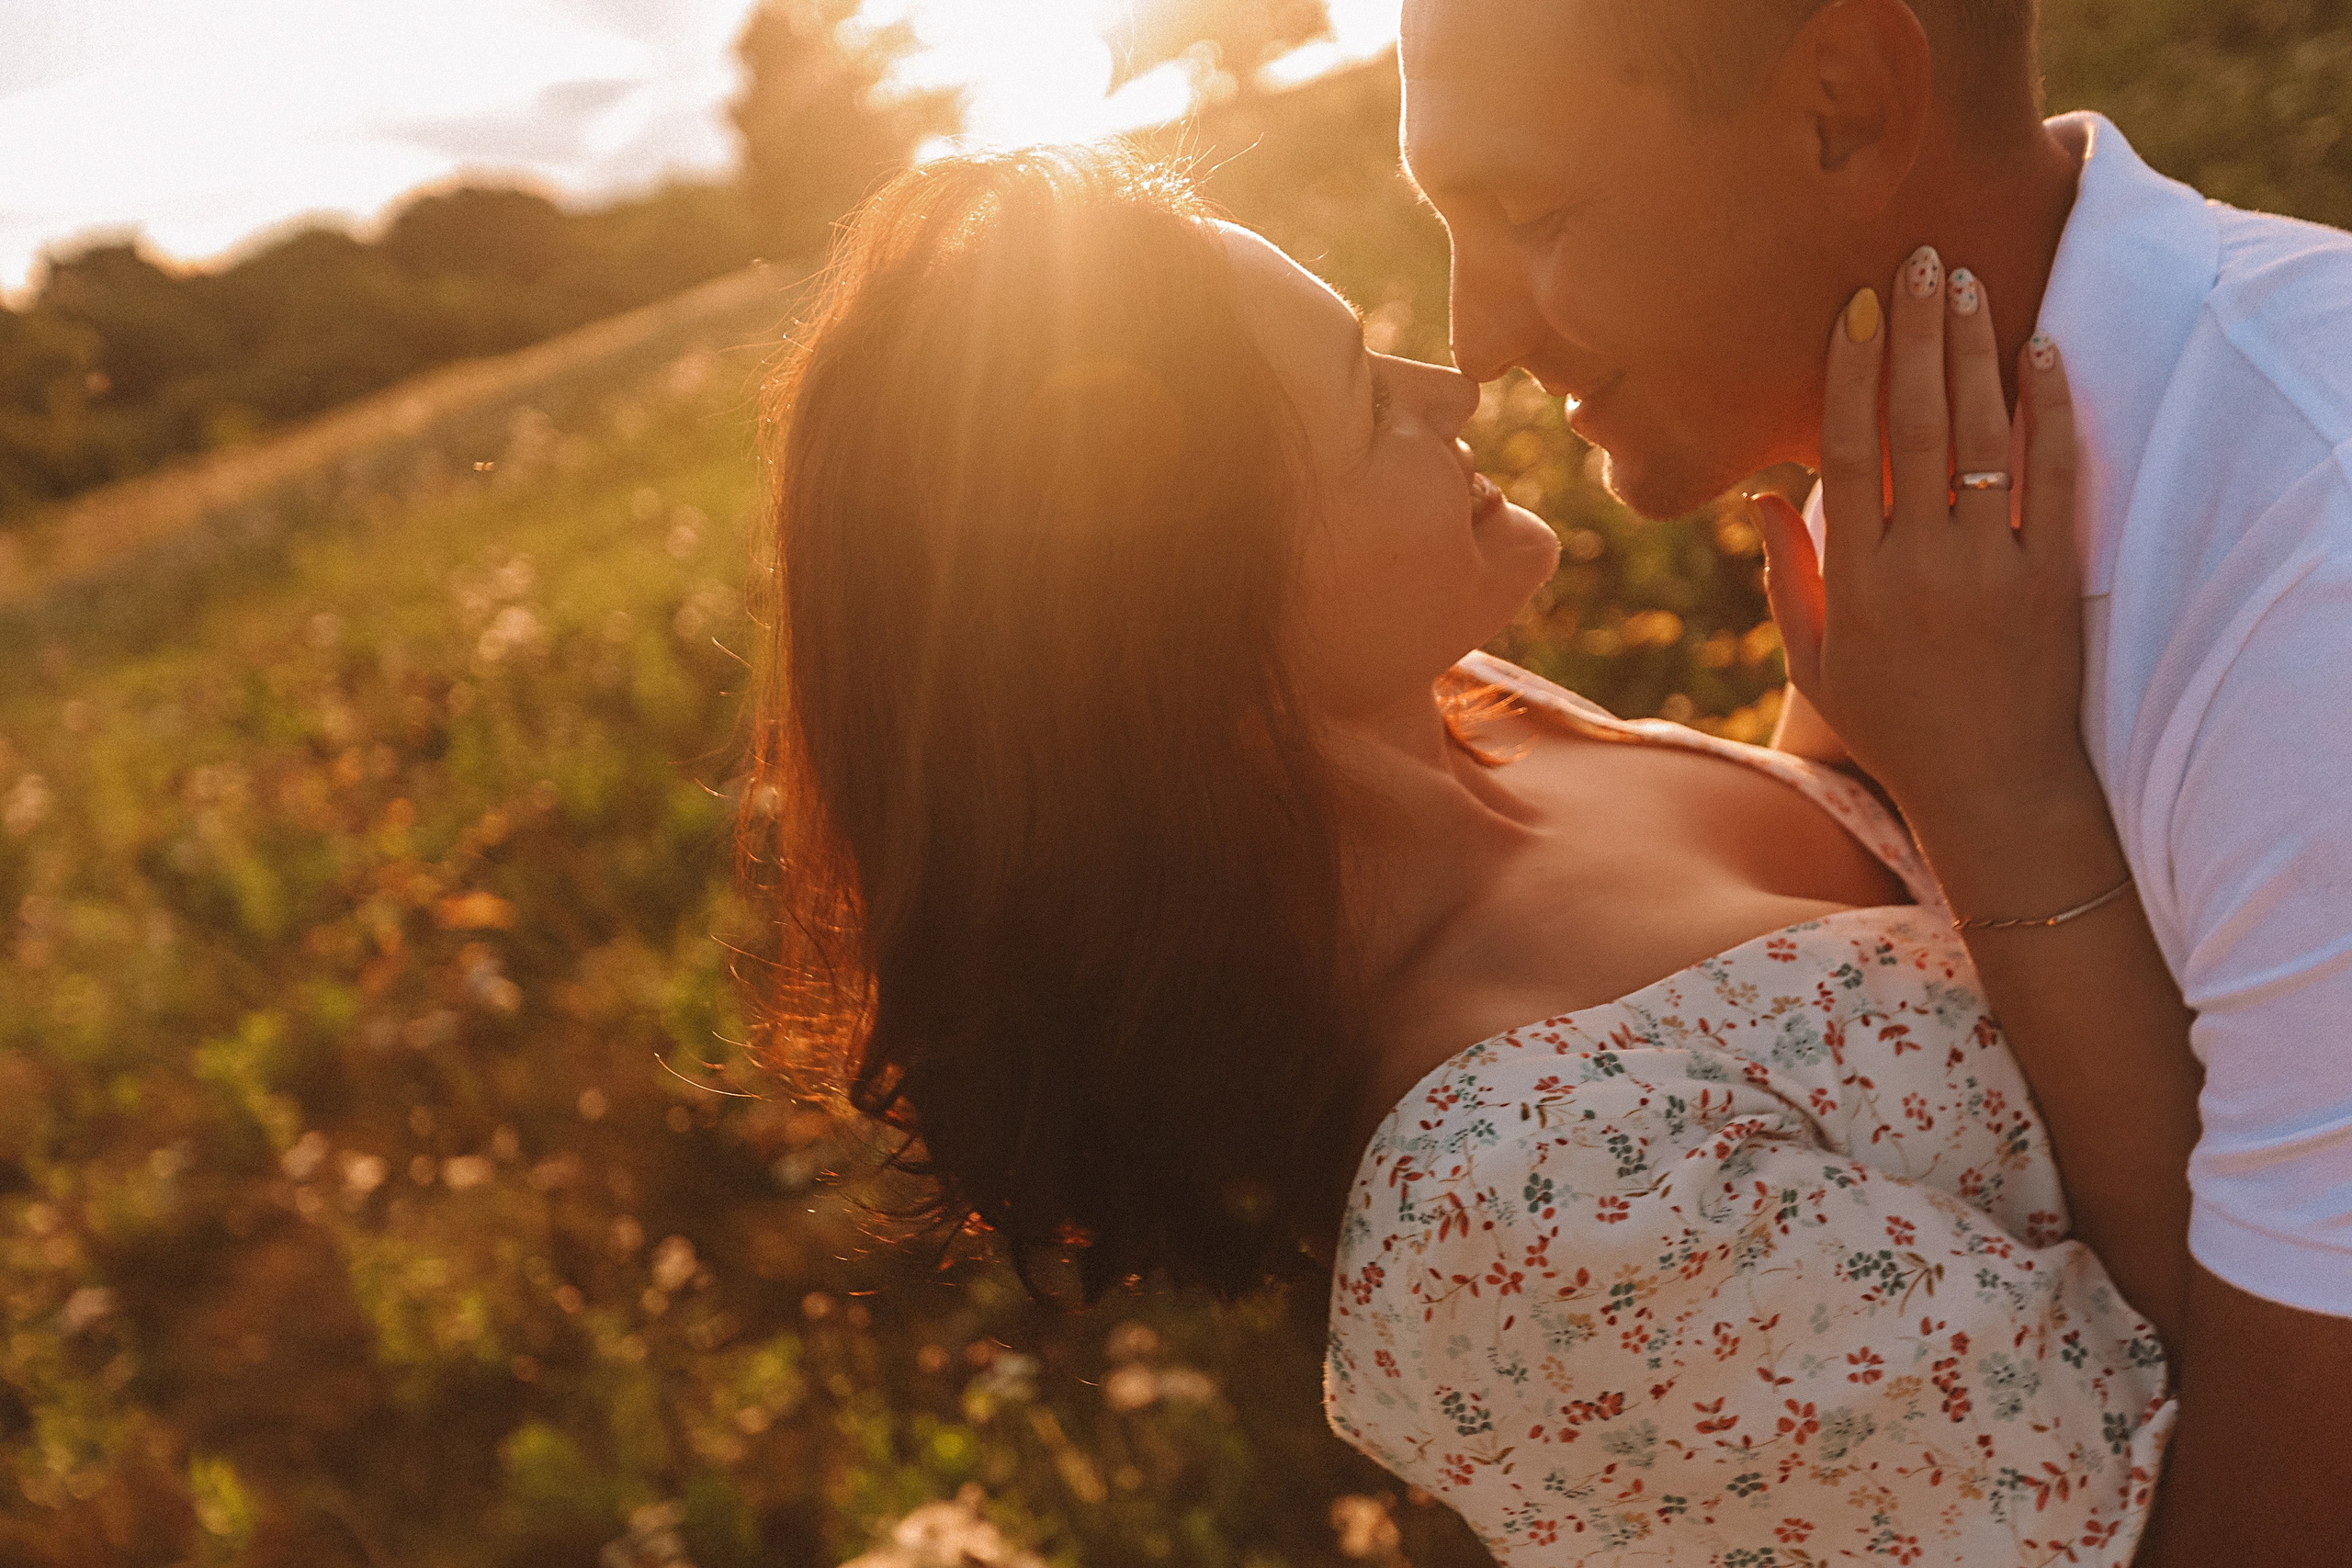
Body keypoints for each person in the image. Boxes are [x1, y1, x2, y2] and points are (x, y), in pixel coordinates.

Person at [745, 143, 2194, 1564]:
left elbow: (1864, 965)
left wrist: (1875, 573)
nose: (1453, 387)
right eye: (1367, 404)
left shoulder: (1481, 717)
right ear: (1194, 632)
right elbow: (2219, 1515)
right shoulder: (1519, 1206)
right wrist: (2007, 806)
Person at [1399, 0, 2352, 1561]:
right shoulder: (1916, 509)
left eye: (1531, 213)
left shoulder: (2306, 564)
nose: (1474, 337)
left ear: (1845, 104)